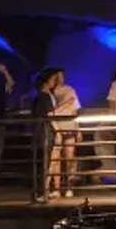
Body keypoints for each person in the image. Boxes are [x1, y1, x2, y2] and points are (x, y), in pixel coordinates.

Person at [46, 69, 80, 199]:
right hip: (56, 127)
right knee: (56, 160)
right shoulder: (50, 92)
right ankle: (56, 188)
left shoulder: (70, 90)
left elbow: (75, 110)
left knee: (69, 157)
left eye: (62, 76)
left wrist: (78, 129)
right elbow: (50, 111)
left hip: (69, 126)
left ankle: (69, 188)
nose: (60, 78)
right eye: (57, 76)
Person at [29, 72, 55, 204]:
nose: (53, 82)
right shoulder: (46, 97)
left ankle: (40, 192)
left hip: (38, 132)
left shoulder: (37, 98)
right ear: (45, 83)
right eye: (51, 80)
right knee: (45, 163)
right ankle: (42, 192)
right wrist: (58, 130)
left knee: (40, 163)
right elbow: (50, 115)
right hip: (45, 132)